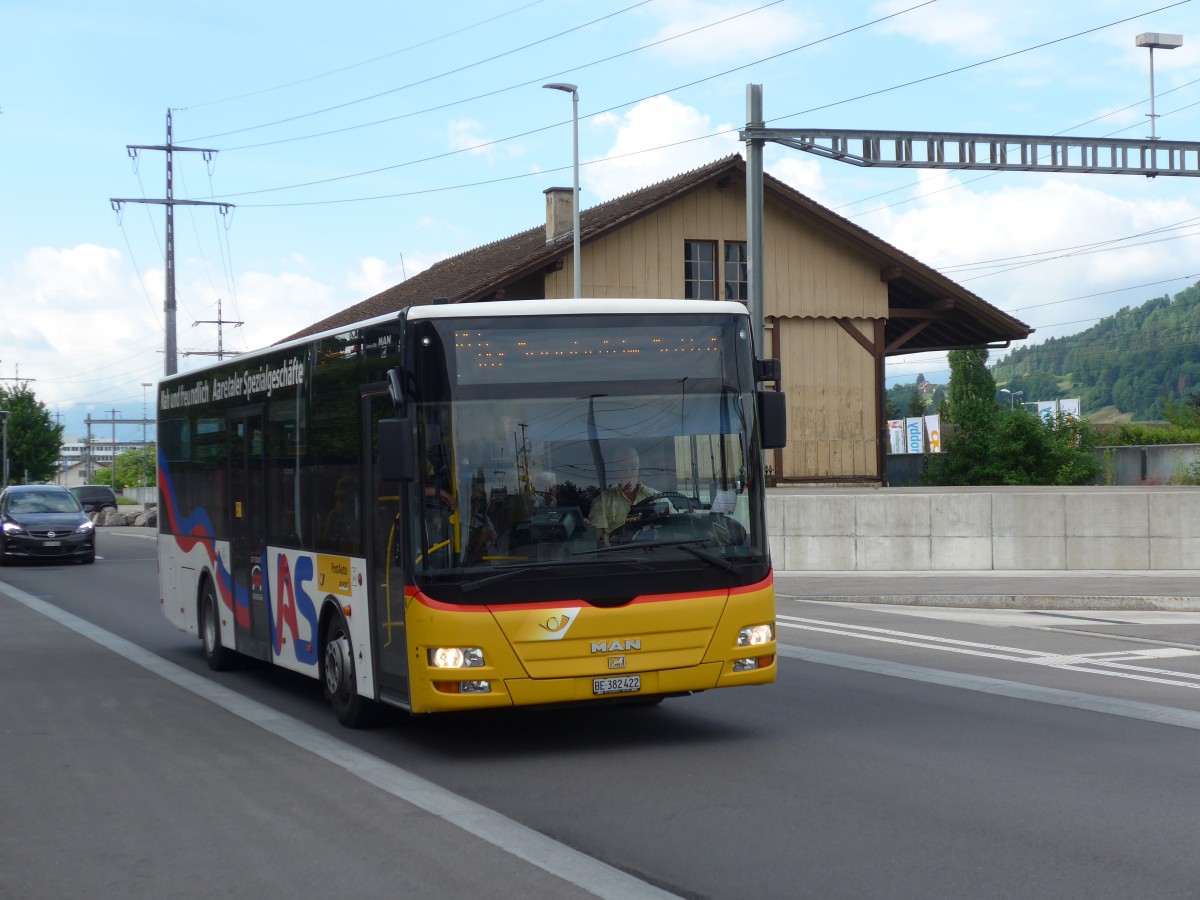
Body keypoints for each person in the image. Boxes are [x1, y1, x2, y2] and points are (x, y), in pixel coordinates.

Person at [588, 446, 658, 546]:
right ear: (614, 468)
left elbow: (678, 524)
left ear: (638, 467)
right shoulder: (602, 502)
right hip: (616, 558)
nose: (628, 471)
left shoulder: (656, 497)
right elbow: (593, 539)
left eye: (633, 466)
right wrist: (586, 528)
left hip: (655, 556)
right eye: (622, 467)